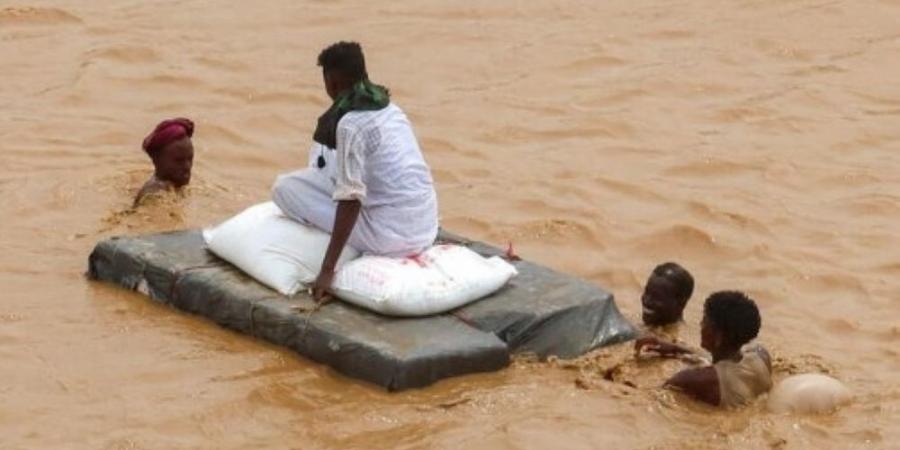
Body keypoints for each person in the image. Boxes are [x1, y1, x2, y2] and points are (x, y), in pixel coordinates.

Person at [272, 41, 438, 301]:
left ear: (333, 82)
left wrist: (327, 270)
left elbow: (350, 199)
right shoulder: (389, 107)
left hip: (391, 237)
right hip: (425, 225)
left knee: (284, 188)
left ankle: (341, 244)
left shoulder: (350, 124)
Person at [636, 291, 773, 407]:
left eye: (705, 321)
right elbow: (724, 364)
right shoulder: (761, 356)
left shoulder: (696, 379)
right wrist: (676, 349)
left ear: (718, 337)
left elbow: (648, 397)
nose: (701, 325)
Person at [134, 118, 195, 207]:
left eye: (190, 158)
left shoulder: (171, 187)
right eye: (178, 161)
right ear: (156, 160)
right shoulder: (154, 195)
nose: (187, 166)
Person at [641, 262, 694, 327]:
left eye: (657, 297)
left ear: (681, 303)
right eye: (647, 292)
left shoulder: (672, 336)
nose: (647, 301)